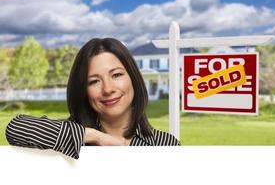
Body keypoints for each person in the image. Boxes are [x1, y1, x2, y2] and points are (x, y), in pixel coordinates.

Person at [5, 38, 180, 159]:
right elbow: (16, 128)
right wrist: (96, 137)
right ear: (83, 90)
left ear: (133, 79)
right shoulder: (74, 135)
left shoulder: (166, 144)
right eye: (94, 81)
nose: (108, 89)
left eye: (117, 75)